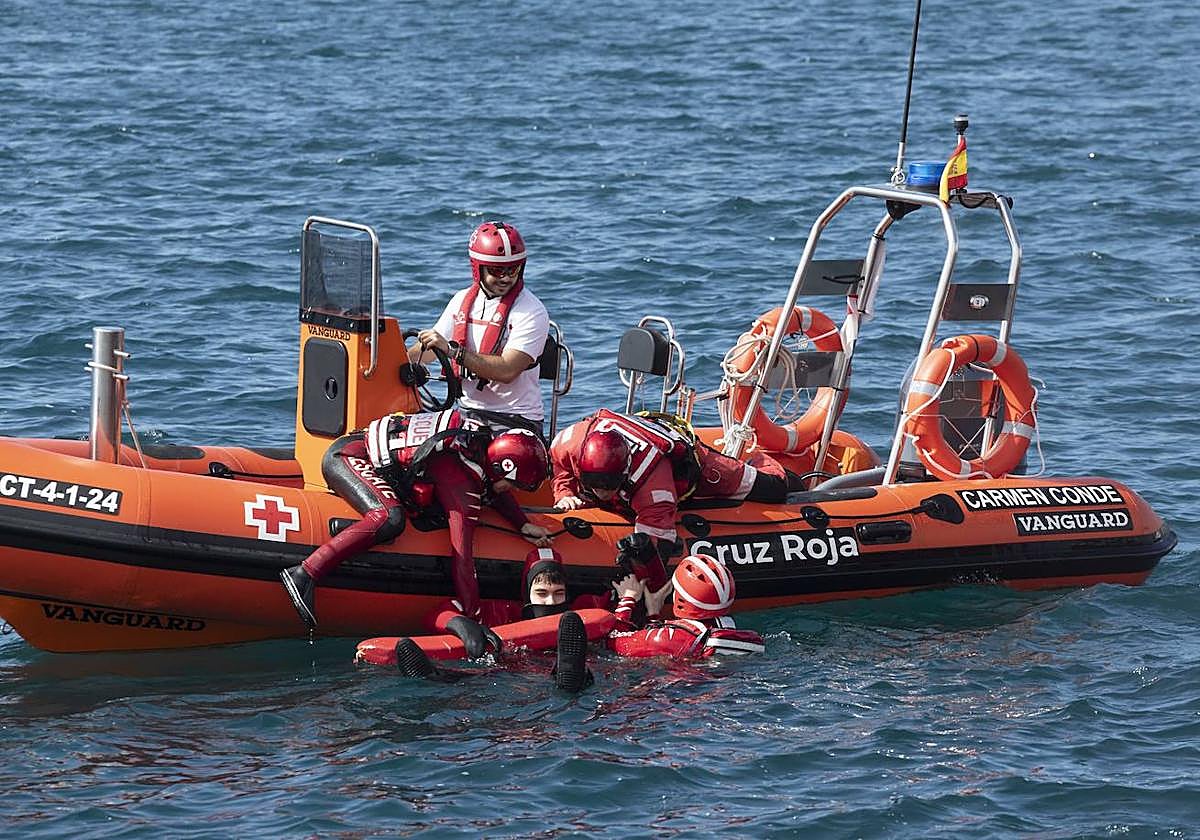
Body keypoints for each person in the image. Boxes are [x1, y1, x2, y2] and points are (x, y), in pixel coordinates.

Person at [279, 408, 552, 656]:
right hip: (348, 457)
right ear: (500, 468)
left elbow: (495, 489)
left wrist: (521, 524)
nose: (513, 490)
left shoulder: (477, 446)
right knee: (389, 518)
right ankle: (304, 573)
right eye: (514, 484)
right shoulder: (460, 481)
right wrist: (473, 616)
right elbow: (462, 555)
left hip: (361, 449)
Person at [550, 409, 792, 603]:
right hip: (632, 440)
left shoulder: (653, 483)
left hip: (697, 469)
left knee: (774, 489)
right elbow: (558, 461)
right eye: (593, 483)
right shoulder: (571, 442)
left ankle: (763, 461)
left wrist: (637, 590)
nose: (601, 492)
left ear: (625, 473)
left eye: (608, 484)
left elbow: (656, 546)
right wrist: (564, 492)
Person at [410, 221, 550, 436]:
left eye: (513, 269)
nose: (506, 278)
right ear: (478, 268)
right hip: (466, 415)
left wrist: (453, 351)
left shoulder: (532, 311)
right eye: (497, 270)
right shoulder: (460, 301)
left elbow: (507, 370)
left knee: (504, 451)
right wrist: (392, 360)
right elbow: (428, 352)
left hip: (516, 420)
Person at [606, 554, 765, 659]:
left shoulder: (666, 638)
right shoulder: (729, 629)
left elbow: (613, 640)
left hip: (681, 693)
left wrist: (628, 598)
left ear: (680, 596)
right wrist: (653, 614)